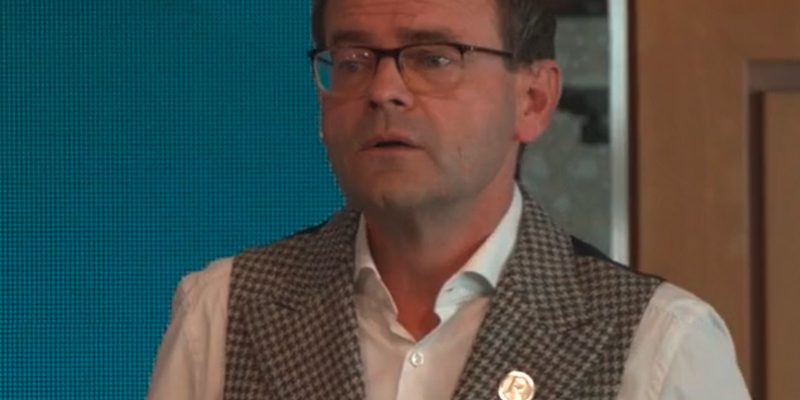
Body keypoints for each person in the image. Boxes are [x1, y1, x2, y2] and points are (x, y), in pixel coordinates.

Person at [147, 0, 751, 399]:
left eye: (433, 58)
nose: (384, 90)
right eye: (353, 62)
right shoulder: (220, 313)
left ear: (534, 100)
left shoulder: (660, 342)